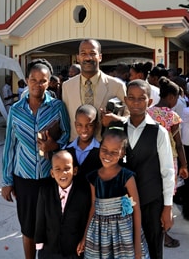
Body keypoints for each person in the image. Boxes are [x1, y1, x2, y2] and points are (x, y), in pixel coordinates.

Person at [1, 58, 70, 259]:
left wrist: (54, 145)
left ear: (50, 82)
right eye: (33, 79)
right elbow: (9, 147)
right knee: (28, 228)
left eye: (43, 80)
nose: (37, 84)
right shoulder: (15, 110)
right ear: (27, 80)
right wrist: (7, 181)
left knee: (51, 225)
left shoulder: (57, 107)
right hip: (24, 178)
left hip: (51, 178)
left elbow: (66, 134)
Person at [77, 121, 150, 259]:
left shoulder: (127, 177)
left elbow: (137, 209)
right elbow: (93, 207)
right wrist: (85, 237)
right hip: (99, 234)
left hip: (124, 234)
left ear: (122, 153)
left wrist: (137, 247)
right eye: (104, 150)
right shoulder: (93, 178)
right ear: (99, 147)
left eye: (114, 152)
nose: (108, 155)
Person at [123, 79, 175, 259]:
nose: (136, 102)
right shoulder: (118, 129)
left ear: (149, 102)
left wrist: (167, 207)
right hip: (126, 203)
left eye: (141, 98)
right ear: (125, 100)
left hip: (152, 202)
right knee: (128, 249)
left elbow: (167, 171)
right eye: (131, 98)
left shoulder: (158, 132)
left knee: (153, 248)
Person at [148, 76, 188, 248]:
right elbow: (178, 144)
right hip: (167, 162)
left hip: (149, 161)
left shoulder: (148, 112)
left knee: (153, 198)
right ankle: (164, 235)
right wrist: (185, 165)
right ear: (171, 97)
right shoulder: (172, 116)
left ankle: (154, 232)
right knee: (165, 199)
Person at [62, 39, 128, 141]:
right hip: (76, 148)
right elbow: (65, 119)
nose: (88, 58)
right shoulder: (67, 86)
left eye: (92, 53)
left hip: (105, 148)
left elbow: (129, 116)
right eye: (83, 54)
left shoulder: (117, 85)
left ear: (100, 57)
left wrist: (117, 120)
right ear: (78, 58)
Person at [34, 150, 90, 259]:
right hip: (49, 250)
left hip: (73, 251)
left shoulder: (83, 194)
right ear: (52, 173)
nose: (63, 173)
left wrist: (83, 243)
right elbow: (40, 220)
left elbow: (83, 221)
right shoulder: (45, 192)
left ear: (75, 171)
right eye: (58, 169)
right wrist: (39, 245)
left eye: (67, 169)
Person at [66, 104, 102, 185]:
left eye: (89, 125)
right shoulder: (67, 150)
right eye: (79, 125)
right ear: (75, 125)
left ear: (96, 125)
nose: (84, 130)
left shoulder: (101, 151)